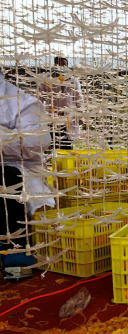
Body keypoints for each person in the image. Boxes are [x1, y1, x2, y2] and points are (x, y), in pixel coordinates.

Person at [0, 70, 54, 275]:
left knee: (7, 178)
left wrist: (3, 140)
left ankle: (16, 250)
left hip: (15, 167)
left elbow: (38, 140)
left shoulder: (23, 101)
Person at [38, 56, 84, 150]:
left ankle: (66, 162)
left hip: (68, 118)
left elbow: (79, 99)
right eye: (59, 65)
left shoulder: (73, 81)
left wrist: (81, 115)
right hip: (52, 118)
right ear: (54, 66)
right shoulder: (46, 80)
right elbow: (39, 98)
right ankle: (55, 162)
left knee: (67, 144)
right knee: (54, 144)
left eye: (64, 65)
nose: (61, 67)